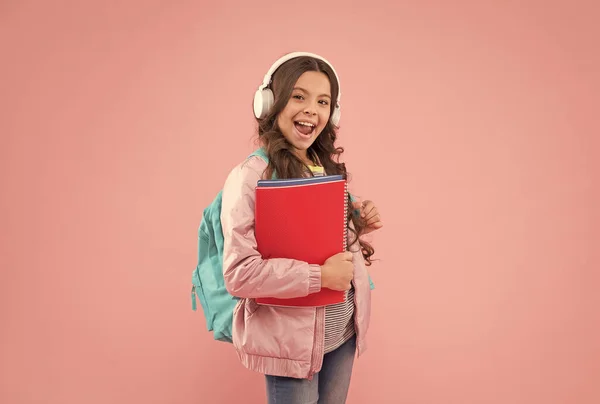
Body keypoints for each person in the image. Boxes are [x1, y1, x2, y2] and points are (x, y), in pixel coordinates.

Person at [219, 51, 383, 404]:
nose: (312, 109)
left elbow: (312, 233)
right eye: (298, 96)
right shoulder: (249, 178)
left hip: (341, 331)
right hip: (292, 346)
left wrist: (355, 220)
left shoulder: (322, 166)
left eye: (323, 101)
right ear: (269, 103)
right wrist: (319, 278)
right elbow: (239, 274)